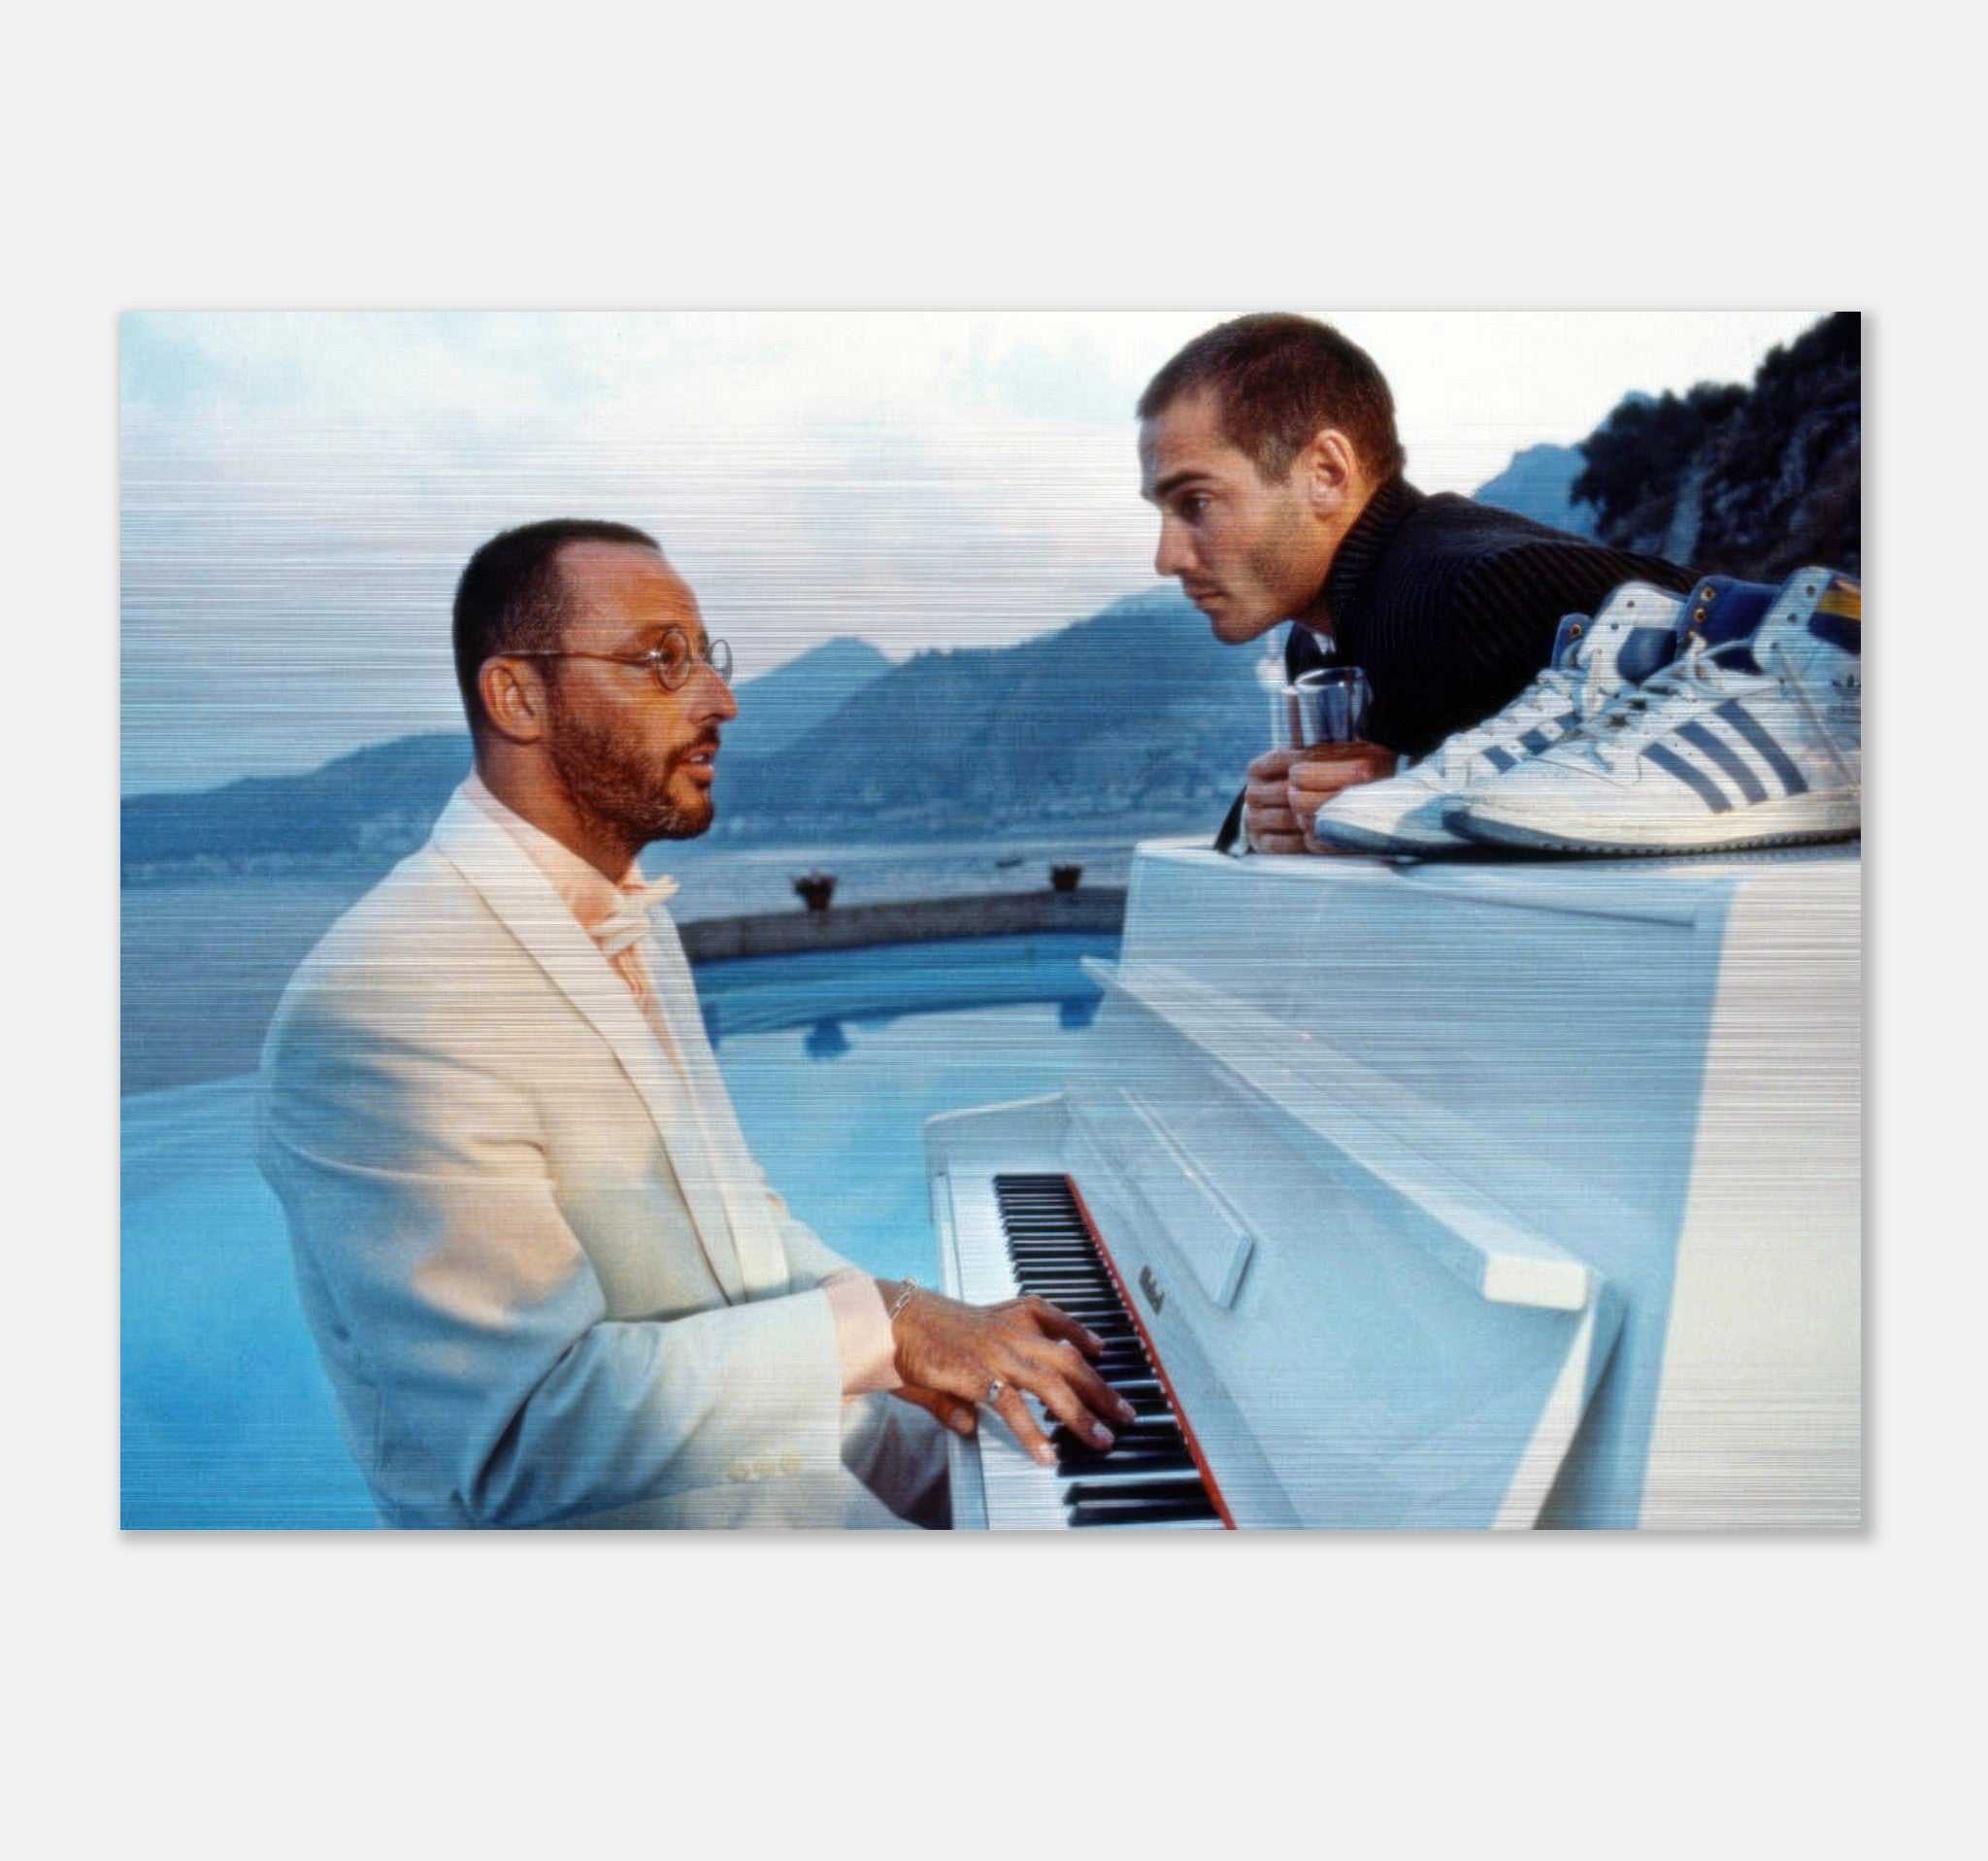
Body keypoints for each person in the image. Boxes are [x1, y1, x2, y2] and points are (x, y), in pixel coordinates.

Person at [257, 518, 1135, 1529]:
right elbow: (524, 1436)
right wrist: (884, 1327)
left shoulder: (630, 916)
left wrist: (930, 1348)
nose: (719, 699)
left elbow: (737, 1229)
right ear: (516, 697)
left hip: (788, 1468)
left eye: (705, 659)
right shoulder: (383, 1001)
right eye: (659, 660)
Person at [1136, 314, 1696, 853]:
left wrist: (1409, 790)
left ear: (1326, 474)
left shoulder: (1474, 593)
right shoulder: (1316, 637)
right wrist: (1267, 820)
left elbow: (1756, 700)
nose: (1167, 558)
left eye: (1199, 502)